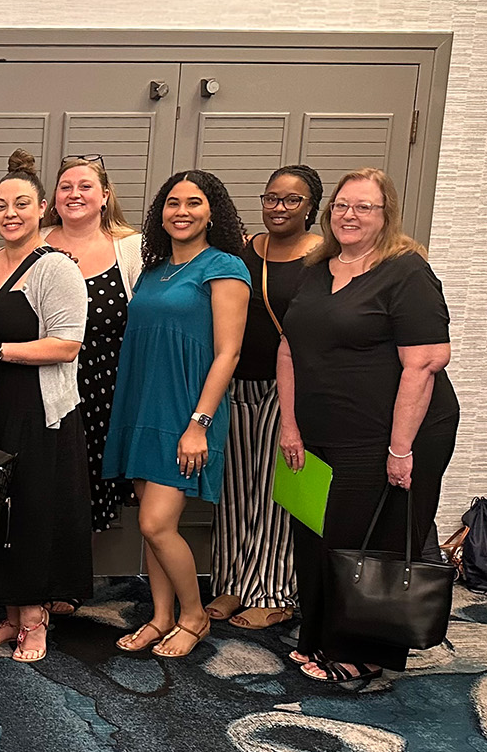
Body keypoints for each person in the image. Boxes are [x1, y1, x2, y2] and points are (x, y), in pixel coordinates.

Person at [277, 167, 457, 684]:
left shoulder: (406, 271)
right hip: (319, 430)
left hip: (389, 432)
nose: (349, 215)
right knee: (317, 534)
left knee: (367, 541)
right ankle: (318, 635)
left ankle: (364, 652)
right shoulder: (317, 268)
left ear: (386, 215)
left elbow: (424, 362)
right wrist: (290, 426)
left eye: (364, 207)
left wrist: (400, 450)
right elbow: (289, 349)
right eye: (341, 206)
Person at [0, 151, 91, 662]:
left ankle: (35, 619)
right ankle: (9, 615)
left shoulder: (56, 268)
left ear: (42, 208)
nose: (10, 213)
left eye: (21, 203)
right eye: (1, 205)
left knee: (29, 511)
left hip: (36, 406)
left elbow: (68, 344)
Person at [103, 170, 249, 658]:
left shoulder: (224, 267)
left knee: (155, 524)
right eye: (172, 202)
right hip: (143, 403)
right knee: (150, 519)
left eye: (193, 202)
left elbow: (228, 353)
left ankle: (194, 616)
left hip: (188, 411)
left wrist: (199, 424)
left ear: (213, 212)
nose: (181, 211)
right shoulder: (152, 270)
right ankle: (161, 616)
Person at [206, 166, 325, 631]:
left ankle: (274, 589)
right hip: (238, 382)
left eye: (291, 200)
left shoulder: (322, 257)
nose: (279, 207)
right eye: (271, 198)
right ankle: (233, 582)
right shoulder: (244, 249)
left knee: (277, 492)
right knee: (234, 489)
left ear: (311, 207)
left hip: (290, 388)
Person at [39, 155, 143, 615]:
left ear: (105, 196)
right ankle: (39, 577)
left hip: (106, 387)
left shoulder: (132, 248)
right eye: (65, 187)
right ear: (53, 200)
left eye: (85, 186)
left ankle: (70, 579)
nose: (75, 194)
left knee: (90, 487)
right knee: (46, 486)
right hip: (42, 384)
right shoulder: (35, 242)